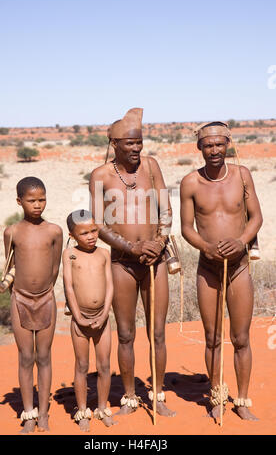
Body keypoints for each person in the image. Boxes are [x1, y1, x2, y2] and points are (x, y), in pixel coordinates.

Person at [89, 108, 176, 417]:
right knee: (126, 334)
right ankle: (128, 396)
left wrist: (159, 242)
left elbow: (166, 210)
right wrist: (130, 246)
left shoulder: (152, 167)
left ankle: (157, 394)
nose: (137, 149)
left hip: (156, 260)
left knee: (158, 332)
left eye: (140, 142)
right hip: (122, 263)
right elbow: (98, 223)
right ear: (115, 144)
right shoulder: (101, 175)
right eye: (130, 144)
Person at [180, 121, 263, 421]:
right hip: (208, 271)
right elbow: (186, 228)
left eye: (219, 144)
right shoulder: (190, 182)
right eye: (208, 145)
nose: (214, 150)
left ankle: (241, 399)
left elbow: (256, 217)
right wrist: (205, 246)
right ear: (199, 147)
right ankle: (216, 397)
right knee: (213, 338)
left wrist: (241, 242)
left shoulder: (242, 175)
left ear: (228, 143)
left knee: (241, 338)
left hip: (238, 270)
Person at [2, 176, 63, 433]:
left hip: (46, 298)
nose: (38, 205)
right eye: (32, 200)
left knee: (44, 356)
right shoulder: (12, 232)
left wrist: (45, 291)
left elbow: (55, 267)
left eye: (42, 199)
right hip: (20, 299)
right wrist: (18, 293)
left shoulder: (54, 231)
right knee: (26, 357)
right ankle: (29, 413)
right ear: (19, 201)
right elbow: (9, 267)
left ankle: (44, 413)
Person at [63, 209, 116, 431]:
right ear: (73, 235)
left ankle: (102, 407)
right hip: (80, 321)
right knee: (82, 365)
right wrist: (78, 317)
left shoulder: (104, 253)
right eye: (84, 233)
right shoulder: (69, 254)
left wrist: (105, 313)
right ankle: (83, 410)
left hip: (103, 319)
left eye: (94, 230)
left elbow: (110, 285)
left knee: (104, 365)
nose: (91, 236)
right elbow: (69, 288)